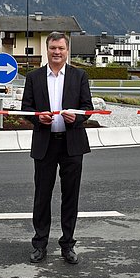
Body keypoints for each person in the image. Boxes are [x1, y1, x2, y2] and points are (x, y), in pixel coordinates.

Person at [21, 31, 93, 264]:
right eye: (53, 48)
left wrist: (78, 118)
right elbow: (26, 109)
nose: (57, 52)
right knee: (42, 196)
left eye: (61, 48)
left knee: (70, 197)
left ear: (67, 50)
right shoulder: (34, 77)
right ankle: (40, 244)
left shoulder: (79, 76)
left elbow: (87, 108)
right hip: (45, 144)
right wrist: (37, 118)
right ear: (47, 50)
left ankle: (68, 245)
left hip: (72, 144)